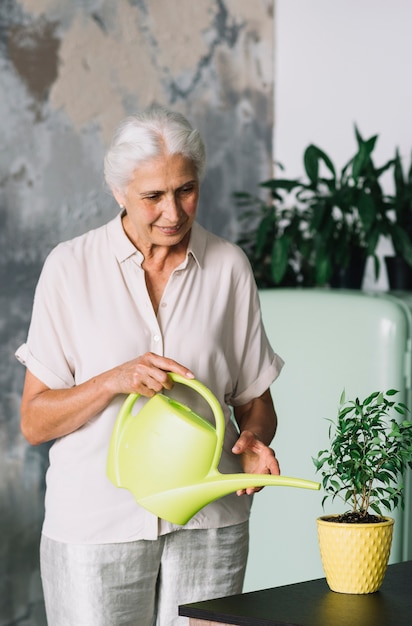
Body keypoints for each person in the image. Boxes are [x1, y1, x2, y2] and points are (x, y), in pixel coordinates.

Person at [15, 105, 284, 626]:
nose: (174, 211)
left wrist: (254, 438)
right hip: (97, 527)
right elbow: (34, 421)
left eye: (185, 189)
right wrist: (114, 380)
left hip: (210, 520)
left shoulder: (228, 266)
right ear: (119, 193)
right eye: (152, 196)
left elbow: (256, 401)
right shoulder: (69, 268)